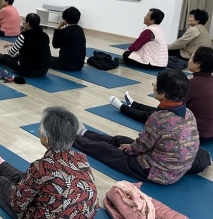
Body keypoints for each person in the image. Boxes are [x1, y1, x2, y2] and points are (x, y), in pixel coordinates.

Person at [0, 107, 98, 219]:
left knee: (5, 186)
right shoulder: (82, 159)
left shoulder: (41, 167)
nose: (38, 130)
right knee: (28, 179)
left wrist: (15, 191)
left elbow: (17, 202)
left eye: (40, 129)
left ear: (46, 139)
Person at [75, 69, 203, 185]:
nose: (153, 87)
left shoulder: (160, 119)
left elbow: (141, 145)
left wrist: (128, 149)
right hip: (175, 169)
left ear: (163, 93)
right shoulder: (188, 113)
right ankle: (85, 133)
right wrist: (130, 147)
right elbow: (145, 143)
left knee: (107, 151)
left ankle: (73, 138)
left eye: (155, 84)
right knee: (120, 140)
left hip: (157, 172)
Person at [109, 47, 213, 143]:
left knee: (156, 116)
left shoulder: (194, 84)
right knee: (162, 110)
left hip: (200, 133)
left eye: (192, 57)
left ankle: (122, 108)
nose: (189, 59)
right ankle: (134, 104)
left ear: (198, 64)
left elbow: (170, 108)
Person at [0, 13, 51, 78]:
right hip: (43, 71)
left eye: (25, 21)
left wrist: (11, 46)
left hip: (27, 70)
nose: (23, 23)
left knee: (7, 58)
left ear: (28, 24)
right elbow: (34, 48)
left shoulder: (24, 35)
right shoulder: (45, 36)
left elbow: (11, 52)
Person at [50, 7, 86, 71]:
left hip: (66, 64)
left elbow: (55, 45)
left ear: (65, 19)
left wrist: (57, 29)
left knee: (44, 59)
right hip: (80, 65)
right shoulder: (80, 29)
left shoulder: (64, 31)